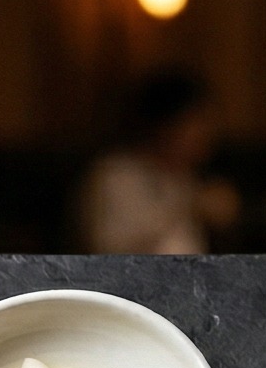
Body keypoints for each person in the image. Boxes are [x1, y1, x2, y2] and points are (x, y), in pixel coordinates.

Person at [78, 69, 231, 255]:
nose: (207, 134)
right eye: (198, 123)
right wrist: (190, 205)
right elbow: (112, 248)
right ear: (167, 125)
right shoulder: (116, 176)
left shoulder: (184, 178)